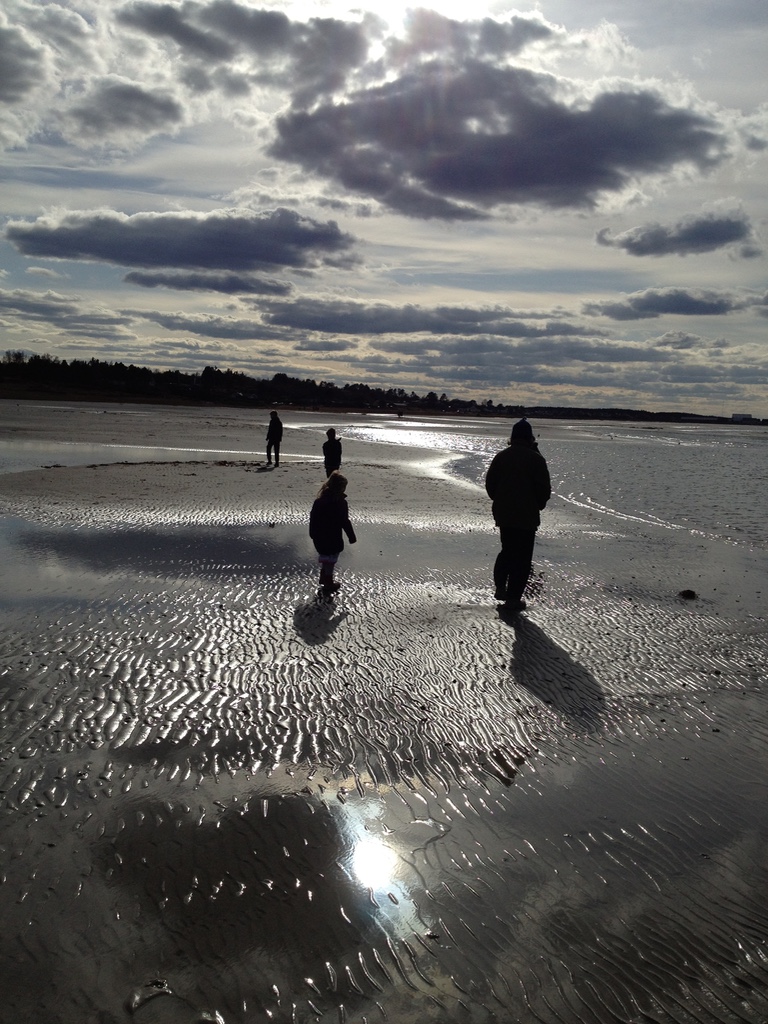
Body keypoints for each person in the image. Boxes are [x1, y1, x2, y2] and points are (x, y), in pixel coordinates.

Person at [484, 418, 551, 615]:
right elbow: (544, 489)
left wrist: (500, 501)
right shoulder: (536, 459)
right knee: (522, 557)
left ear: (512, 437)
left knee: (507, 550)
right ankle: (513, 598)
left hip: (504, 513)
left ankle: (500, 587)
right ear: (530, 437)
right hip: (527, 515)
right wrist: (538, 505)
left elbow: (490, 485)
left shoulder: (501, 456)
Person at [309, 471, 357, 594]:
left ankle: (324, 577)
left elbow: (313, 517)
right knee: (331, 559)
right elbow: (344, 521)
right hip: (332, 536)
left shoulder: (319, 501)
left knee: (325, 556)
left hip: (319, 535)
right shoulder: (340, 502)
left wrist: (312, 533)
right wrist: (351, 536)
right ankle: (328, 583)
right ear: (340, 488)